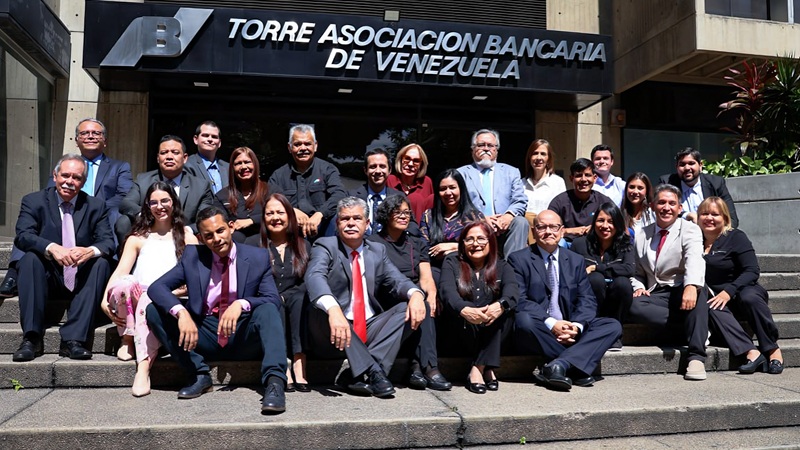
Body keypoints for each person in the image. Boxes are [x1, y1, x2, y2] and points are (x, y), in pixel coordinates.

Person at [146, 206, 288, 414]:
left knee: (267, 309)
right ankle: (198, 374)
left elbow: (273, 298)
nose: (217, 239)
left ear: (231, 227)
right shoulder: (193, 256)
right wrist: (182, 313)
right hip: (205, 332)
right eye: (209, 235)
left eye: (220, 231)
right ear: (201, 239)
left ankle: (275, 383)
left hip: (242, 333)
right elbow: (156, 288)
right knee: (154, 310)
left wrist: (240, 304)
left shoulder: (257, 257)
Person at [305, 197, 428, 398]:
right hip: (334, 331)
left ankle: (355, 373)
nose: (351, 223)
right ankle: (375, 372)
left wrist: (415, 294)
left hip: (369, 327)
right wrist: (334, 310)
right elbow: (314, 277)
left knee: (410, 307)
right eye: (345, 219)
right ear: (337, 223)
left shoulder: (377, 250)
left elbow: (397, 280)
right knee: (321, 308)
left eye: (357, 218)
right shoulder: (325, 245)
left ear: (367, 223)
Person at [0, 118, 132, 298]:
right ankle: (14, 272)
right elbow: (49, 194)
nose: (90, 136)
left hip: (99, 216)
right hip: (65, 213)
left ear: (105, 140)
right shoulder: (64, 164)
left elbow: (123, 195)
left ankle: (112, 268)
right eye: (84, 133)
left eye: (96, 133)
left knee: (116, 216)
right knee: (32, 219)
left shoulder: (119, 167)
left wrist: (90, 206)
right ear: (77, 140)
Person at [12, 154, 115, 362]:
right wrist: (51, 248)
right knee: (30, 258)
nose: (69, 181)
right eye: (65, 175)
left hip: (81, 276)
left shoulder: (95, 206)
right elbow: (23, 236)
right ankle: (32, 338)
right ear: (55, 175)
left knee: (101, 262)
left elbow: (108, 242)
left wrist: (89, 251)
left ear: (83, 182)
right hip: (47, 275)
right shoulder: (34, 201)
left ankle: (73, 340)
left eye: (76, 178)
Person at [101, 181, 198, 397]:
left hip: (169, 299)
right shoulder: (137, 237)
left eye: (164, 201)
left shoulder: (187, 237)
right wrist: (103, 300)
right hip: (136, 298)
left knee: (150, 296)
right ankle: (128, 338)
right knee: (125, 284)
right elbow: (120, 272)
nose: (159, 206)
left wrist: (171, 293)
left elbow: (195, 279)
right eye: (154, 202)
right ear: (147, 206)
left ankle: (143, 368)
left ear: (174, 202)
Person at [510, 210, 622, 391]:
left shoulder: (575, 260)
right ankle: (575, 367)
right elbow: (520, 300)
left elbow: (587, 299)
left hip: (569, 327)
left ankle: (559, 365)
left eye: (554, 227)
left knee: (612, 325)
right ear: (533, 231)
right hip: (541, 328)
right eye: (542, 227)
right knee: (524, 321)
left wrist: (576, 327)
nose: (548, 231)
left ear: (562, 231)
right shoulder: (518, 259)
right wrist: (552, 324)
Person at [368, 195, 451, 391]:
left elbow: (426, 277)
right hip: (387, 297)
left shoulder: (417, 242)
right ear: (386, 215)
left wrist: (431, 295)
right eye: (398, 212)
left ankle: (419, 367)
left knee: (425, 305)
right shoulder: (373, 243)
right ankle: (425, 367)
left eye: (406, 213)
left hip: (415, 293)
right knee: (417, 305)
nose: (404, 216)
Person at [629, 184, 709, 381]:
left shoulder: (690, 229)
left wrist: (691, 286)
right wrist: (639, 287)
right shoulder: (641, 234)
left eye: (672, 203)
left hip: (680, 288)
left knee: (699, 290)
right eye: (661, 202)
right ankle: (691, 327)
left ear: (679, 208)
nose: (666, 208)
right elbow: (637, 272)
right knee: (634, 306)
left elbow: (694, 258)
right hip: (657, 293)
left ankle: (696, 357)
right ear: (652, 206)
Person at [698, 197, 783, 374]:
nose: (709, 218)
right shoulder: (694, 240)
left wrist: (729, 291)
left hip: (743, 289)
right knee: (710, 306)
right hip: (716, 297)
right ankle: (752, 353)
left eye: (715, 214)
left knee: (749, 298)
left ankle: (772, 350)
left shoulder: (735, 237)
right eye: (704, 214)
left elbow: (752, 270)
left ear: (725, 218)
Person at [439, 222, 518, 394]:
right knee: (474, 309)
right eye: (469, 239)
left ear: (491, 242)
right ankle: (488, 368)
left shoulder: (502, 265)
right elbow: (447, 292)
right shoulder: (452, 262)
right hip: (461, 331)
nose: (475, 244)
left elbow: (512, 292)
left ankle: (478, 368)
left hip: (492, 329)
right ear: (463, 244)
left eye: (481, 239)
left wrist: (499, 306)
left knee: (502, 311)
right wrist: (464, 309)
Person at [245, 193, 312, 391]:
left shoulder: (303, 245)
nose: (275, 217)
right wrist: (275, 297)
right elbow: (250, 282)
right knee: (274, 305)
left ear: (289, 216)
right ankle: (282, 362)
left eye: (280, 212)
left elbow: (307, 281)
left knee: (299, 298)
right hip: (265, 303)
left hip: (295, 301)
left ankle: (299, 361)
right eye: (270, 213)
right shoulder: (252, 244)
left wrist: (285, 296)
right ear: (263, 218)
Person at [118, 135, 214, 241]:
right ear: (158, 158)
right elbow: (126, 203)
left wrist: (187, 230)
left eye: (175, 152)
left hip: (184, 237)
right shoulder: (143, 180)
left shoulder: (200, 186)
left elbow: (205, 217)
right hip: (148, 234)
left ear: (185, 158)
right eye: (164, 153)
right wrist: (146, 216)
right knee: (123, 222)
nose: (169, 157)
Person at [570, 202, 634, 350]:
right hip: (589, 296)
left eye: (611, 221)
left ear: (618, 224)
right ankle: (590, 328)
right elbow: (572, 270)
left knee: (623, 283)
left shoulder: (625, 245)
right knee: (595, 280)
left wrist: (597, 268)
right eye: (600, 220)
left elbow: (629, 269)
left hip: (615, 297)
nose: (605, 226)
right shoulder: (579, 244)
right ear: (594, 223)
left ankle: (615, 332)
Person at [458, 129, 529, 257]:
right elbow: (458, 204)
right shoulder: (461, 174)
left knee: (520, 222)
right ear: (473, 149)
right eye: (481, 145)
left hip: (504, 226)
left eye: (490, 145)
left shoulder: (511, 172)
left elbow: (520, 200)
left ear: (496, 150)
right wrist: (481, 218)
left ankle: (513, 266)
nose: (486, 149)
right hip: (474, 225)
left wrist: (508, 216)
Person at [268, 124, 347, 239]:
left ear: (315, 146)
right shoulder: (278, 175)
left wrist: (320, 214)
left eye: (307, 144)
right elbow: (269, 200)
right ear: (289, 148)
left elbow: (339, 194)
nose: (303, 148)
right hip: (290, 234)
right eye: (297, 144)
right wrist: (290, 211)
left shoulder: (328, 170)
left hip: (323, 231)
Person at [420, 169, 484, 279]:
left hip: (467, 270)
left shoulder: (475, 217)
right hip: (436, 271)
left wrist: (453, 247)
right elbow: (423, 248)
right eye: (443, 189)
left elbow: (484, 246)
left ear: (461, 189)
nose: (448, 193)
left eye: (452, 187)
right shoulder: (428, 216)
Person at [659, 147, 739, 227]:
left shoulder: (716, 183)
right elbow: (661, 214)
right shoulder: (667, 183)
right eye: (682, 164)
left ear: (700, 165)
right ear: (677, 167)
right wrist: (687, 215)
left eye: (691, 163)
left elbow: (731, 219)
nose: (687, 168)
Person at [547, 158, 612, 242]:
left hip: (595, 243)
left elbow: (617, 225)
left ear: (595, 178)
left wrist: (596, 228)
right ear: (571, 178)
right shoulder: (559, 201)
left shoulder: (604, 201)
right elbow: (548, 228)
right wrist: (572, 231)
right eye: (579, 175)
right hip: (567, 244)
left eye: (587, 175)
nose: (583, 179)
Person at [348, 149, 409, 235]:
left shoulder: (399, 197)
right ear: (365, 170)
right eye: (373, 167)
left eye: (382, 166)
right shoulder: (352, 196)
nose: (378, 171)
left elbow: (412, 226)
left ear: (389, 170)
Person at [216, 146, 269, 243]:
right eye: (238, 163)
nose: (243, 167)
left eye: (247, 162)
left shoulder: (270, 191)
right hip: (237, 246)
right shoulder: (221, 196)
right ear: (232, 168)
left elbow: (281, 214)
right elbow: (218, 223)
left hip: (266, 244)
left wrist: (251, 220)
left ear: (255, 164)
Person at [523, 139, 567, 244]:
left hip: (549, 231)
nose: (539, 158)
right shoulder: (521, 184)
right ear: (529, 157)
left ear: (548, 159)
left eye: (543, 154)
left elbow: (561, 211)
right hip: (526, 233)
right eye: (535, 153)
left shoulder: (558, 182)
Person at [386, 143, 434, 224]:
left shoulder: (426, 182)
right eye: (407, 159)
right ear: (401, 160)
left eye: (416, 161)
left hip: (421, 229)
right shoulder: (390, 180)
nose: (410, 164)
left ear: (421, 164)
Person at [185, 120, 229, 194]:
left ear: (219, 143)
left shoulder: (228, 168)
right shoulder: (188, 165)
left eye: (214, 137)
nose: (210, 139)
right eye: (205, 135)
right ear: (196, 139)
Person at [622, 172, 655, 239]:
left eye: (640, 188)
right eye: (632, 187)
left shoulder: (653, 212)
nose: (635, 192)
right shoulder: (620, 214)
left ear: (646, 191)